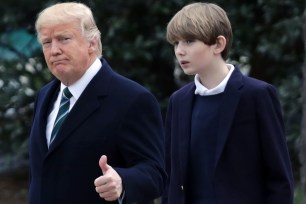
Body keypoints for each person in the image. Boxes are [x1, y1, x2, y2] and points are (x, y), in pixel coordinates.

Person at [29, 2, 166, 204]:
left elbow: (156, 174)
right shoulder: (44, 96)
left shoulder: (132, 99)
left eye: (64, 39)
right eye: (47, 42)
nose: (54, 50)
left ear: (92, 43)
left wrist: (122, 182)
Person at [161, 2, 294, 204]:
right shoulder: (179, 101)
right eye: (176, 43)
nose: (179, 51)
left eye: (189, 41)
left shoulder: (257, 95)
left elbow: (279, 178)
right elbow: (171, 176)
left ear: (218, 44)